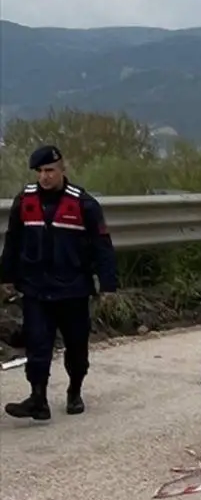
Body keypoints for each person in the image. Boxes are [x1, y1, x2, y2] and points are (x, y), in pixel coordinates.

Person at [0, 144, 118, 421]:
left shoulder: (83, 204)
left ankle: (74, 390)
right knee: (37, 344)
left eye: (50, 170)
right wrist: (6, 279)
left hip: (73, 289)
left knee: (77, 348)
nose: (44, 176)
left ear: (62, 170)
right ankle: (38, 399)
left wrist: (108, 286)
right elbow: (12, 243)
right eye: (40, 171)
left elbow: (103, 246)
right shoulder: (24, 201)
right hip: (36, 288)